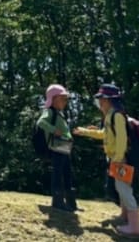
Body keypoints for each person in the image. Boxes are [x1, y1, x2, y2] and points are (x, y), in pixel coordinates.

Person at [73, 84, 139, 238]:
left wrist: (118, 159)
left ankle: (134, 227)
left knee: (124, 190)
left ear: (108, 100)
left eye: (101, 98)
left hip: (121, 159)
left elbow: (122, 139)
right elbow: (105, 134)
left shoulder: (116, 115)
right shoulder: (110, 116)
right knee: (121, 188)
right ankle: (125, 218)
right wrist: (85, 131)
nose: (99, 102)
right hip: (118, 158)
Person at [37, 84, 79, 212]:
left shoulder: (60, 114)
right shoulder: (49, 112)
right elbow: (41, 122)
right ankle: (58, 201)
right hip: (56, 149)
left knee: (67, 174)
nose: (65, 102)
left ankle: (71, 203)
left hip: (64, 148)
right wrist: (54, 130)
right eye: (63, 99)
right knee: (58, 174)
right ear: (54, 99)